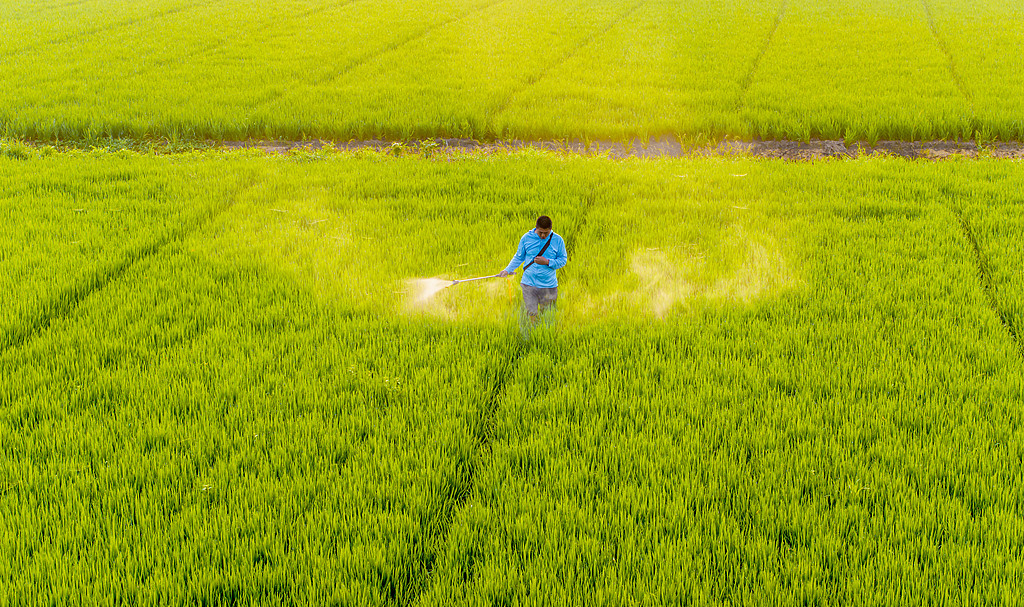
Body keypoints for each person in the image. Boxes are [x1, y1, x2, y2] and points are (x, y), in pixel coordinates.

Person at [499, 215, 567, 321]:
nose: (543, 235)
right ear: (536, 228)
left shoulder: (558, 240)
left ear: (550, 229)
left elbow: (563, 260)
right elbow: (518, 257)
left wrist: (548, 262)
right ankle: (532, 333)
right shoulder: (526, 238)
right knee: (531, 314)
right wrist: (507, 270)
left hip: (548, 285)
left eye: (546, 233)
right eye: (540, 232)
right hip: (529, 284)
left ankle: (544, 334)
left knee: (547, 316)